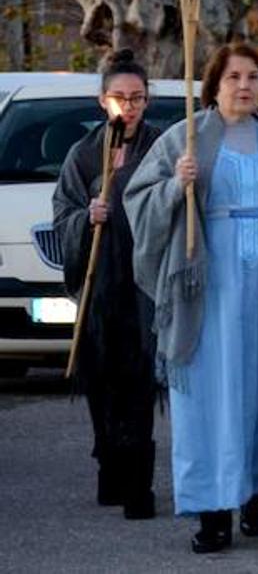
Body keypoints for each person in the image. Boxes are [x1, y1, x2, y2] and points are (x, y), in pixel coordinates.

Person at [125, 44, 258, 554]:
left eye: (253, 76)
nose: (244, 86)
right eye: (232, 77)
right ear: (214, 84)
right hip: (210, 278)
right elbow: (138, 196)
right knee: (211, 391)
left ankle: (252, 493)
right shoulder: (187, 136)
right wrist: (173, 187)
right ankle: (211, 509)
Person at [52, 50, 163, 520]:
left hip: (145, 283)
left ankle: (139, 485)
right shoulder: (83, 154)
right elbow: (63, 215)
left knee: (140, 382)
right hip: (102, 286)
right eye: (121, 98)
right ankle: (110, 467)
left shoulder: (162, 146)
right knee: (105, 383)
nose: (130, 107)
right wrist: (86, 218)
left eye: (137, 97)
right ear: (103, 101)